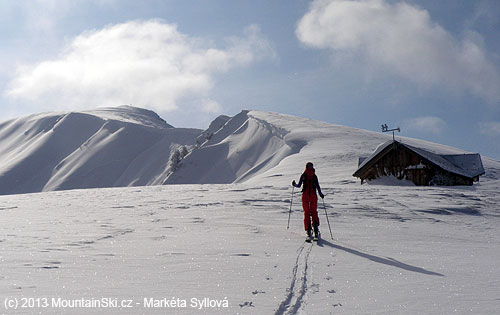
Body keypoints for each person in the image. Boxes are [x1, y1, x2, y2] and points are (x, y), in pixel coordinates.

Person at [292, 162, 324, 241]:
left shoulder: (303, 175)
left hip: (305, 196)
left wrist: (294, 184)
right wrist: (320, 194)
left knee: (306, 213)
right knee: (313, 212)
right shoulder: (314, 176)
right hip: (313, 196)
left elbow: (299, 185)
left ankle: (309, 231)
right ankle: (316, 230)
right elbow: (318, 186)